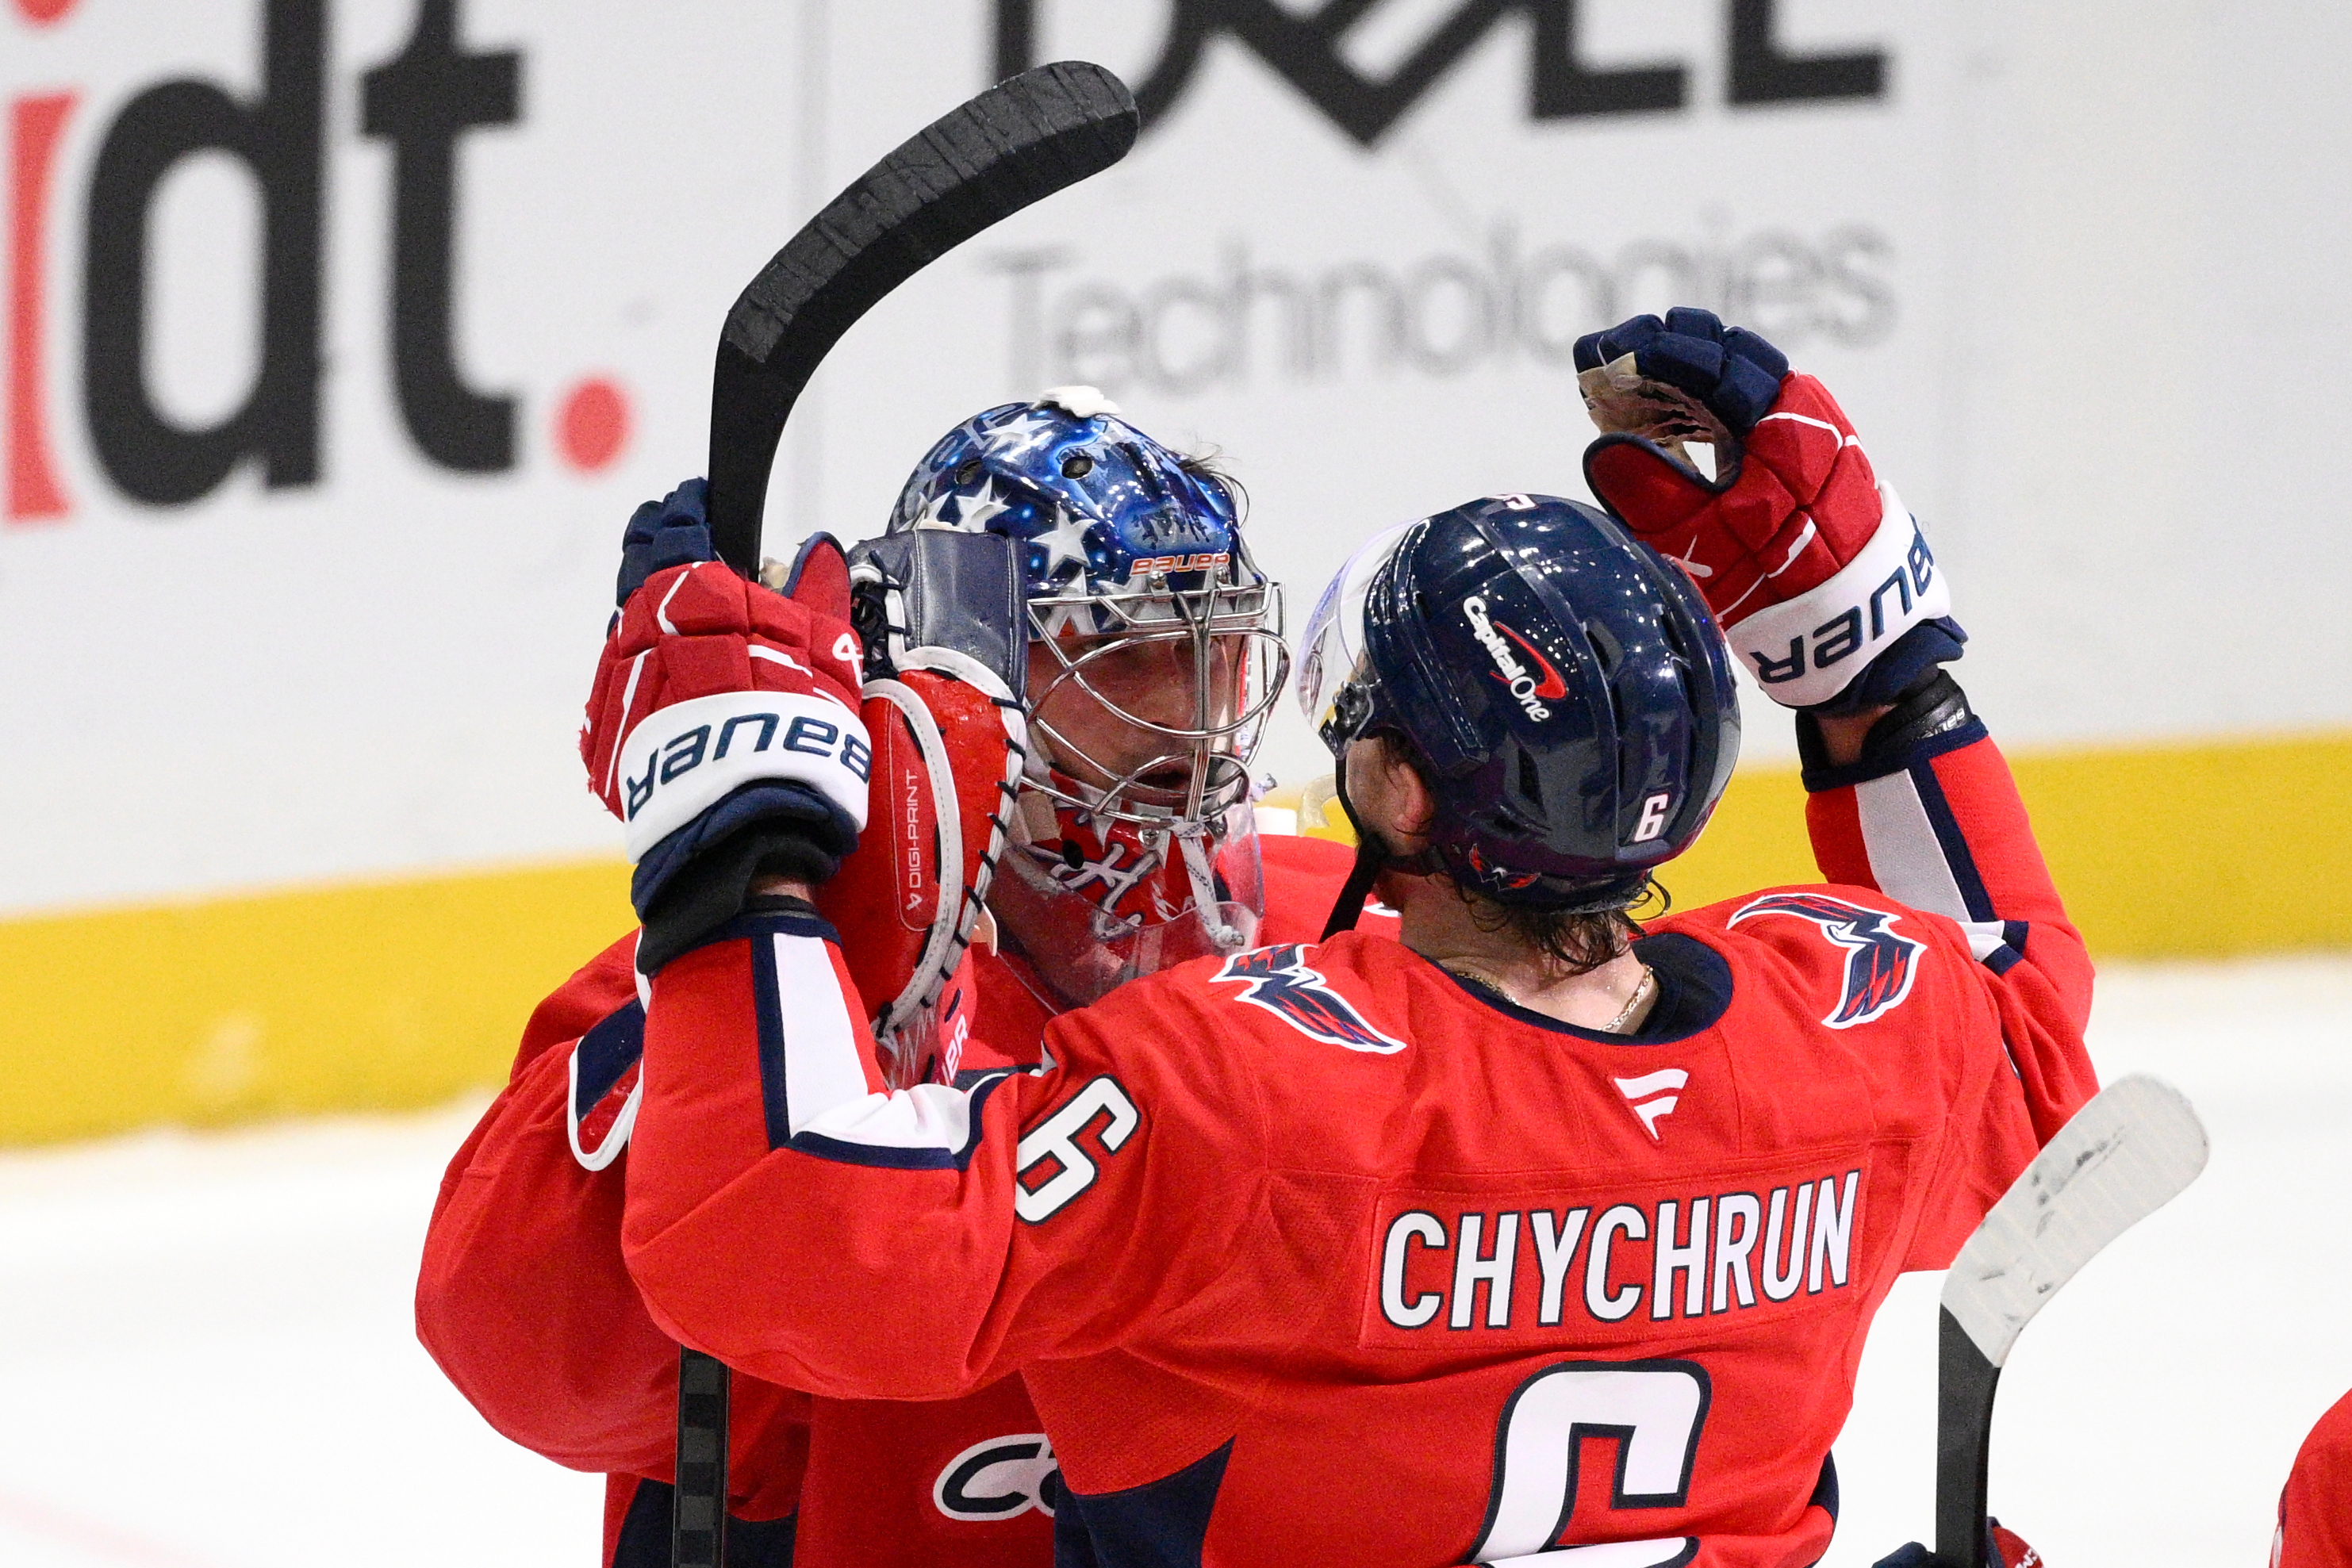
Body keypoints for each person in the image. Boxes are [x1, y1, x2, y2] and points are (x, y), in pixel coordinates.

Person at [612, 312, 2099, 1566]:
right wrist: (1882, 683)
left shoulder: (1249, 1081)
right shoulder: (1852, 1028)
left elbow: (779, 1237)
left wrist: (745, 849)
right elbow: (2031, 1054)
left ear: (1392, 788)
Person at [415, 389, 1395, 1566]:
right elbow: (538, 1369)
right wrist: (741, 883)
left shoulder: (1334, 924)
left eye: (1216, 649)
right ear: (963, 676)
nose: (1193, 716)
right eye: (1132, 654)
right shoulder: (759, 987)